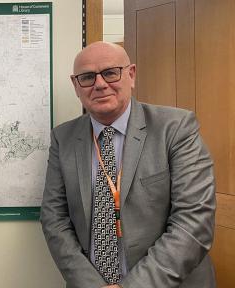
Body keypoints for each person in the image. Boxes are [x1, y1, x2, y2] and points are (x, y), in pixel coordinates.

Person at [41, 41, 216, 288]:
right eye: (88, 77)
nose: (100, 84)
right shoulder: (63, 138)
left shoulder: (176, 128)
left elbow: (193, 221)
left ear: (131, 74)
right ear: (76, 85)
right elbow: (54, 218)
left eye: (111, 73)